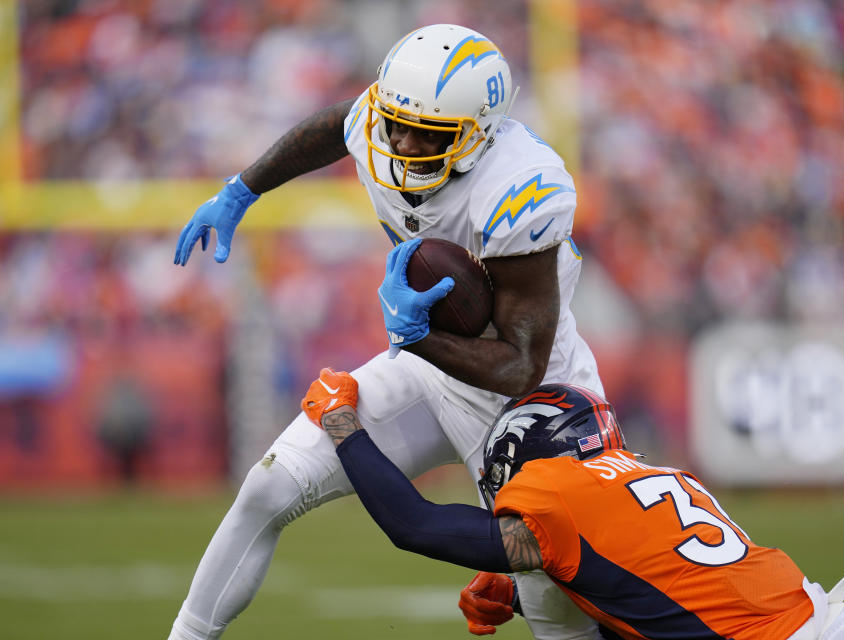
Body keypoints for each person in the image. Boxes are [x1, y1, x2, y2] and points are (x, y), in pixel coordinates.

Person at [168, 23, 605, 640]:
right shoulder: (379, 125)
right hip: (432, 369)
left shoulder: (520, 188)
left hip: (535, 406)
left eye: (422, 133)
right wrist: (243, 190)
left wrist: (416, 335)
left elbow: (522, 364)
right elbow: (334, 127)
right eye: (393, 121)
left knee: (558, 616)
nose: (397, 142)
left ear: (476, 136)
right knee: (270, 486)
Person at [302, 368, 844, 640]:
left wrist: (342, 424)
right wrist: (525, 591)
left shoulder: (561, 493)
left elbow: (416, 524)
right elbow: (651, 591)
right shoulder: (656, 476)